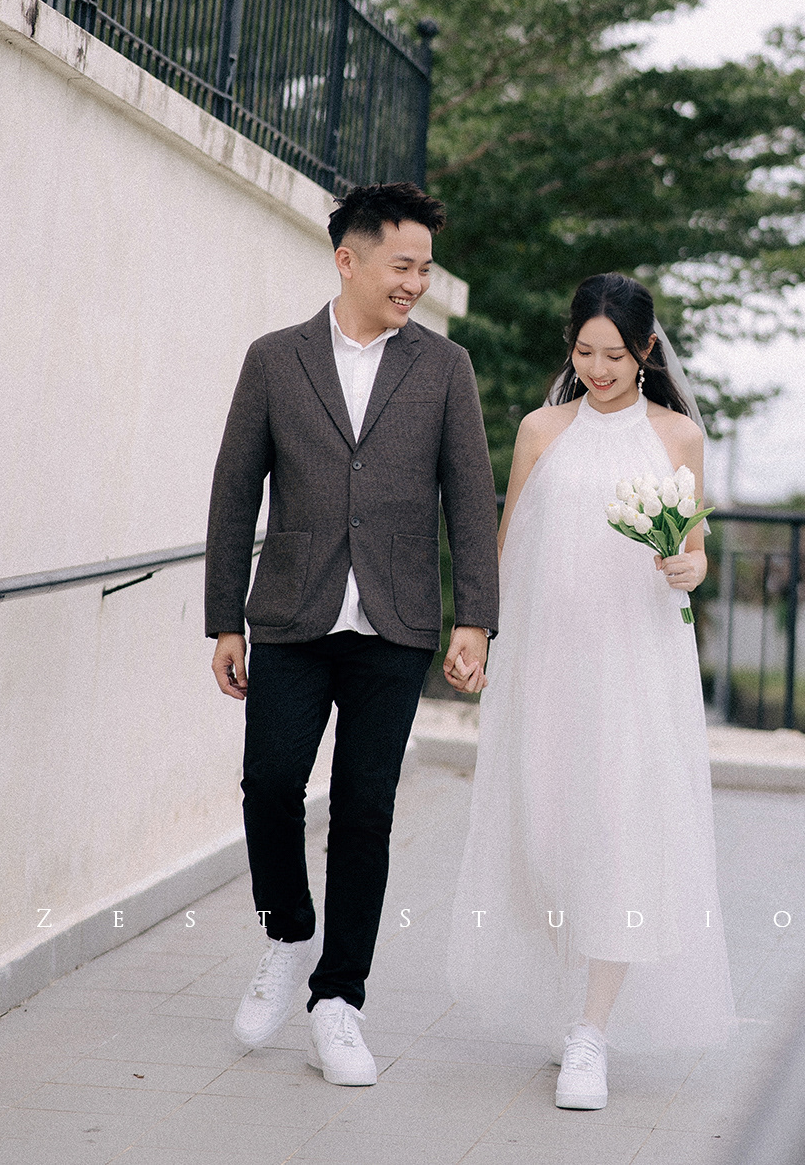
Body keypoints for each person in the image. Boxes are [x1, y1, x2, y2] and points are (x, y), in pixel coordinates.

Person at [206, 182, 500, 1086]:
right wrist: (224, 620)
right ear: (349, 260)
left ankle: (339, 1002)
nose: (416, 283)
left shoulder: (445, 368)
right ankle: (289, 934)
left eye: (425, 268)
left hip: (394, 621)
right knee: (269, 787)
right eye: (402, 265)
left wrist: (476, 619)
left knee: (366, 810)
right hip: (291, 614)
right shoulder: (275, 359)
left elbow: (470, 500)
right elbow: (234, 492)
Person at [445, 272, 736, 1111]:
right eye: (584, 352)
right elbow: (508, 543)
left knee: (622, 829)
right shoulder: (541, 430)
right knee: (545, 828)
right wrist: (478, 632)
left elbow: (694, 546)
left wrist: (689, 566)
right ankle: (566, 998)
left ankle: (591, 1031)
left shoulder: (678, 437)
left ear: (645, 351)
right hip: (548, 662)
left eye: (614, 354)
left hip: (636, 664)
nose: (598, 370)